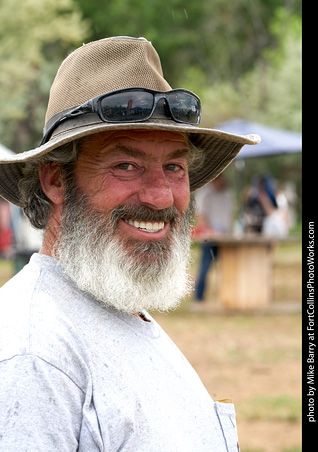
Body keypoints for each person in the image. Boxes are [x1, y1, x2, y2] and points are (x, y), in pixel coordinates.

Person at [0, 36, 260, 451]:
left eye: (174, 166)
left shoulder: (115, 310)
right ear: (54, 180)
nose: (160, 196)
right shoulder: (33, 352)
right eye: (126, 165)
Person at [193, 174, 234, 303]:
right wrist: (210, 230)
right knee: (205, 267)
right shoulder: (205, 195)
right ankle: (199, 297)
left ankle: (227, 295)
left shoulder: (228, 195)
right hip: (209, 239)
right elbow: (200, 216)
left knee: (228, 267)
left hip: (225, 237)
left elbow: (230, 215)